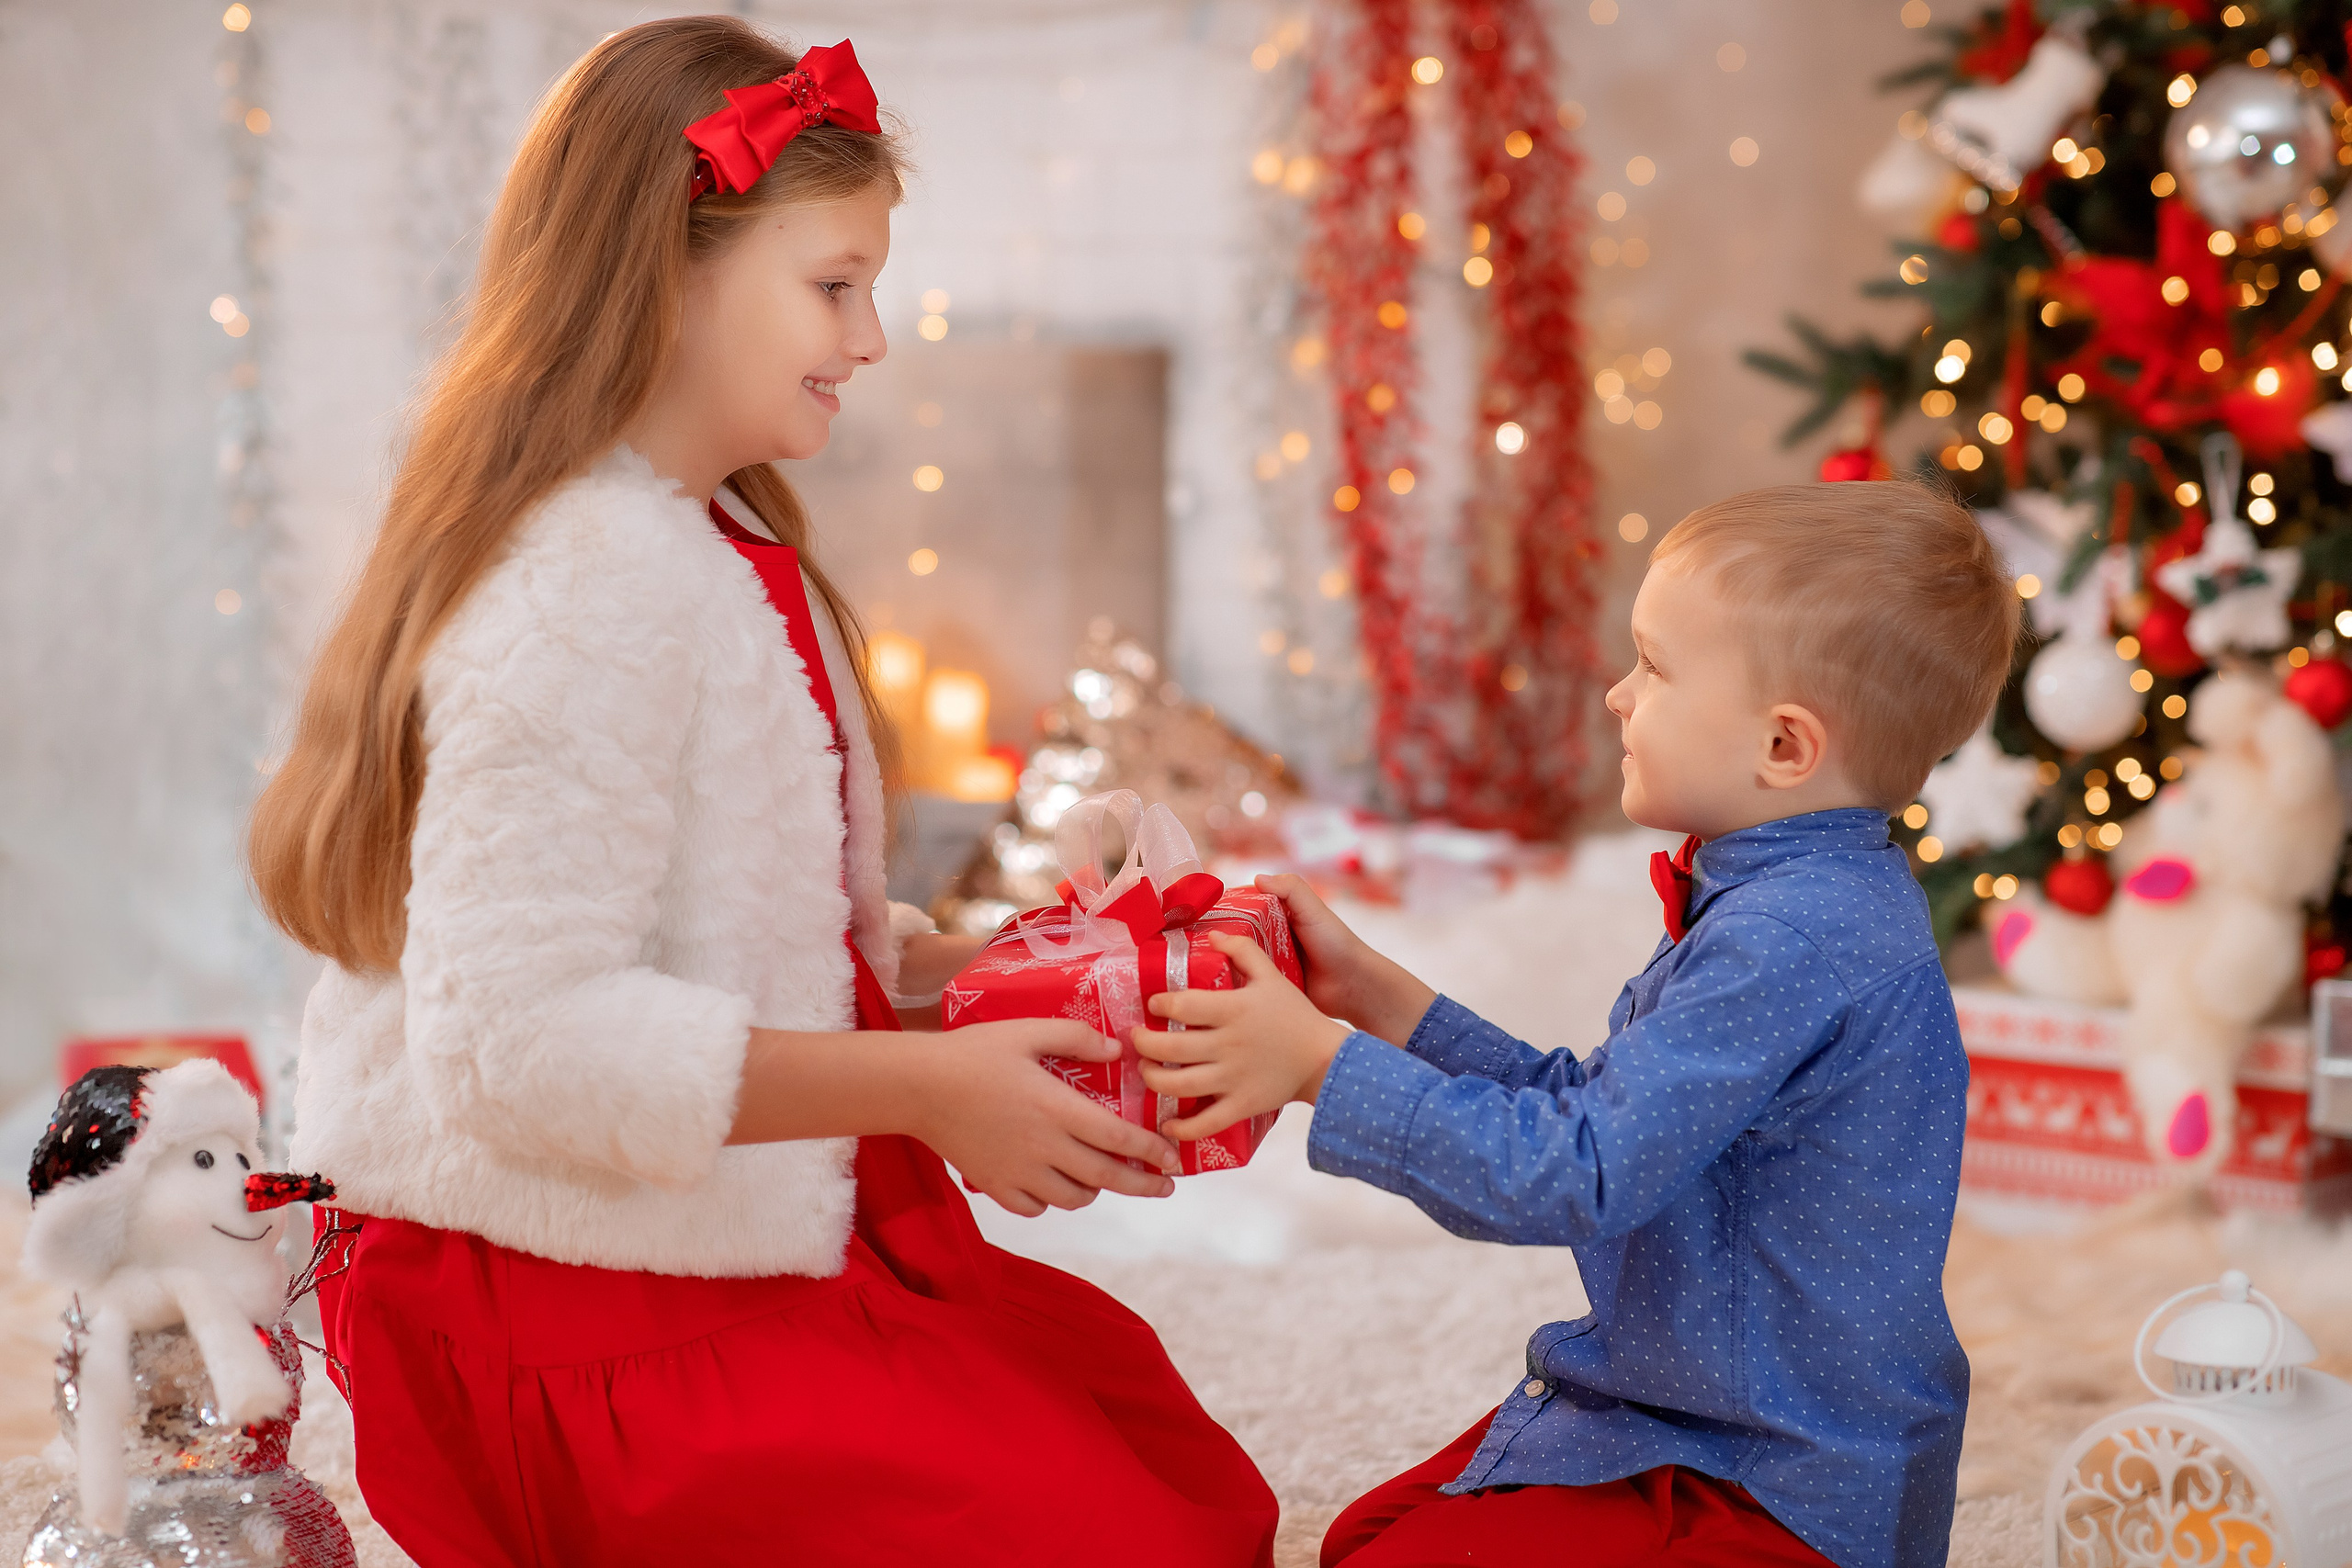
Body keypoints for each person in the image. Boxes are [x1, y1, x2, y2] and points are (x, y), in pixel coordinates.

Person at [247, 19, 1274, 1565]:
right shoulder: (580, 588)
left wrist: (991, 981)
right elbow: (517, 1047)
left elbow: (758, 930)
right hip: (566, 1295)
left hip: (715, 1222)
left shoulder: (716, 539)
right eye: (834, 285)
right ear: (670, 274)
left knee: (1175, 1474)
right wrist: (926, 1092)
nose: (870, 339)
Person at [1136, 481, 2018, 1568]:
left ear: (1784, 749)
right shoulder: (1794, 890)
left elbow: (1573, 1175)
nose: (1615, 695)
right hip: (1700, 1408)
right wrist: (1386, 1003)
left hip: (1774, 1479)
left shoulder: (1790, 941)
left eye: (1653, 667)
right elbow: (1602, 1111)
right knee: (1371, 1535)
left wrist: (1324, 1067)